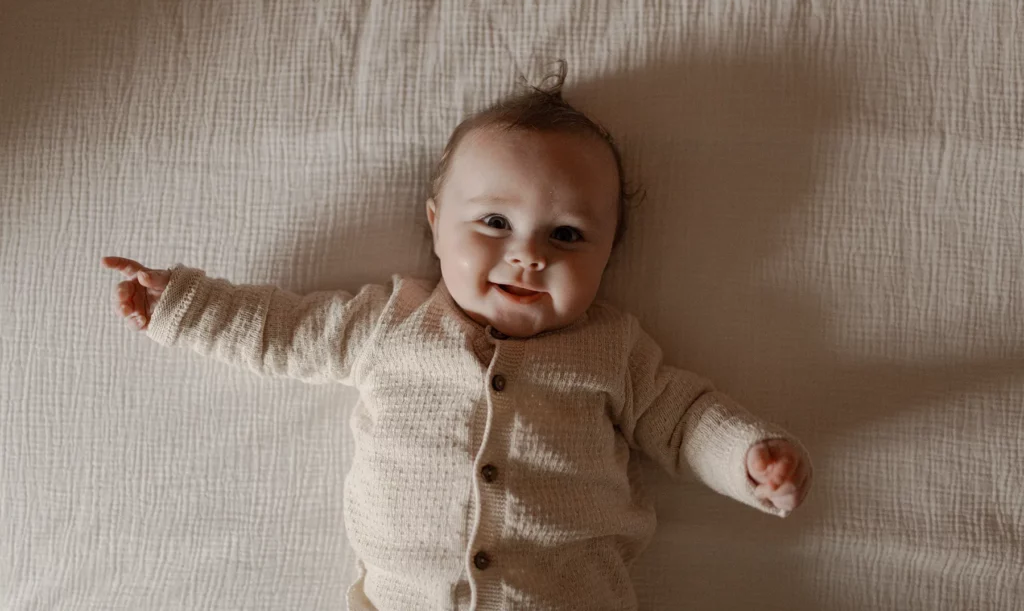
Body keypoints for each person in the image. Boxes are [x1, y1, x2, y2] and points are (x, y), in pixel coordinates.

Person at [102, 64, 811, 610]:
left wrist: (746, 454)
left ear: (610, 254)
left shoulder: (613, 349)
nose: (529, 254)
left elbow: (682, 417)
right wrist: (183, 303)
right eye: (495, 223)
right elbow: (286, 331)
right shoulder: (391, 322)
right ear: (436, 224)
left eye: (567, 235)